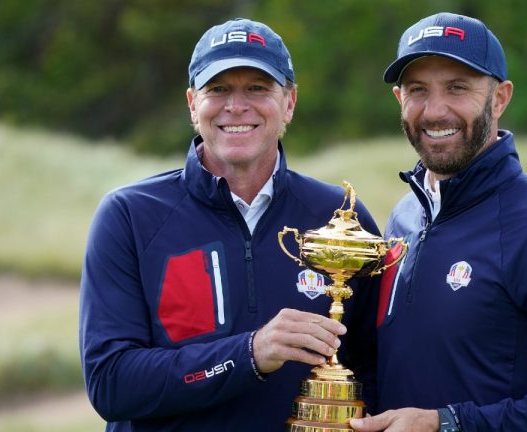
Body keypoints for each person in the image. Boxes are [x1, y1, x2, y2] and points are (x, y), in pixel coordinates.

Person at [79, 18, 379, 431]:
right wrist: (249, 353)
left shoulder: (341, 219)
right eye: (218, 89)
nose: (236, 106)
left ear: (289, 101)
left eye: (257, 88)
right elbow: (111, 384)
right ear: (192, 103)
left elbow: (376, 368)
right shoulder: (129, 216)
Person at [350, 12, 527, 432]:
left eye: (457, 88)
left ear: (499, 98)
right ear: (399, 100)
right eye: (418, 90)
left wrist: (446, 424)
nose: (435, 110)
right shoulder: (403, 218)